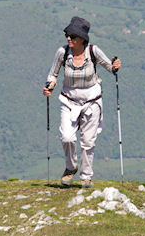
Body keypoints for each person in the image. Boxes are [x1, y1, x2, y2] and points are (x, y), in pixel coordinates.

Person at [43, 16, 121, 188]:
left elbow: (110, 67)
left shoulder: (93, 51)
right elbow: (53, 74)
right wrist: (50, 86)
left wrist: (115, 65)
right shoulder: (62, 53)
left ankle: (86, 176)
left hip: (92, 101)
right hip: (69, 100)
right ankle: (71, 168)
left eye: (72, 36)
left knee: (88, 141)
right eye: (67, 35)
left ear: (82, 38)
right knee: (67, 137)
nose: (68, 39)